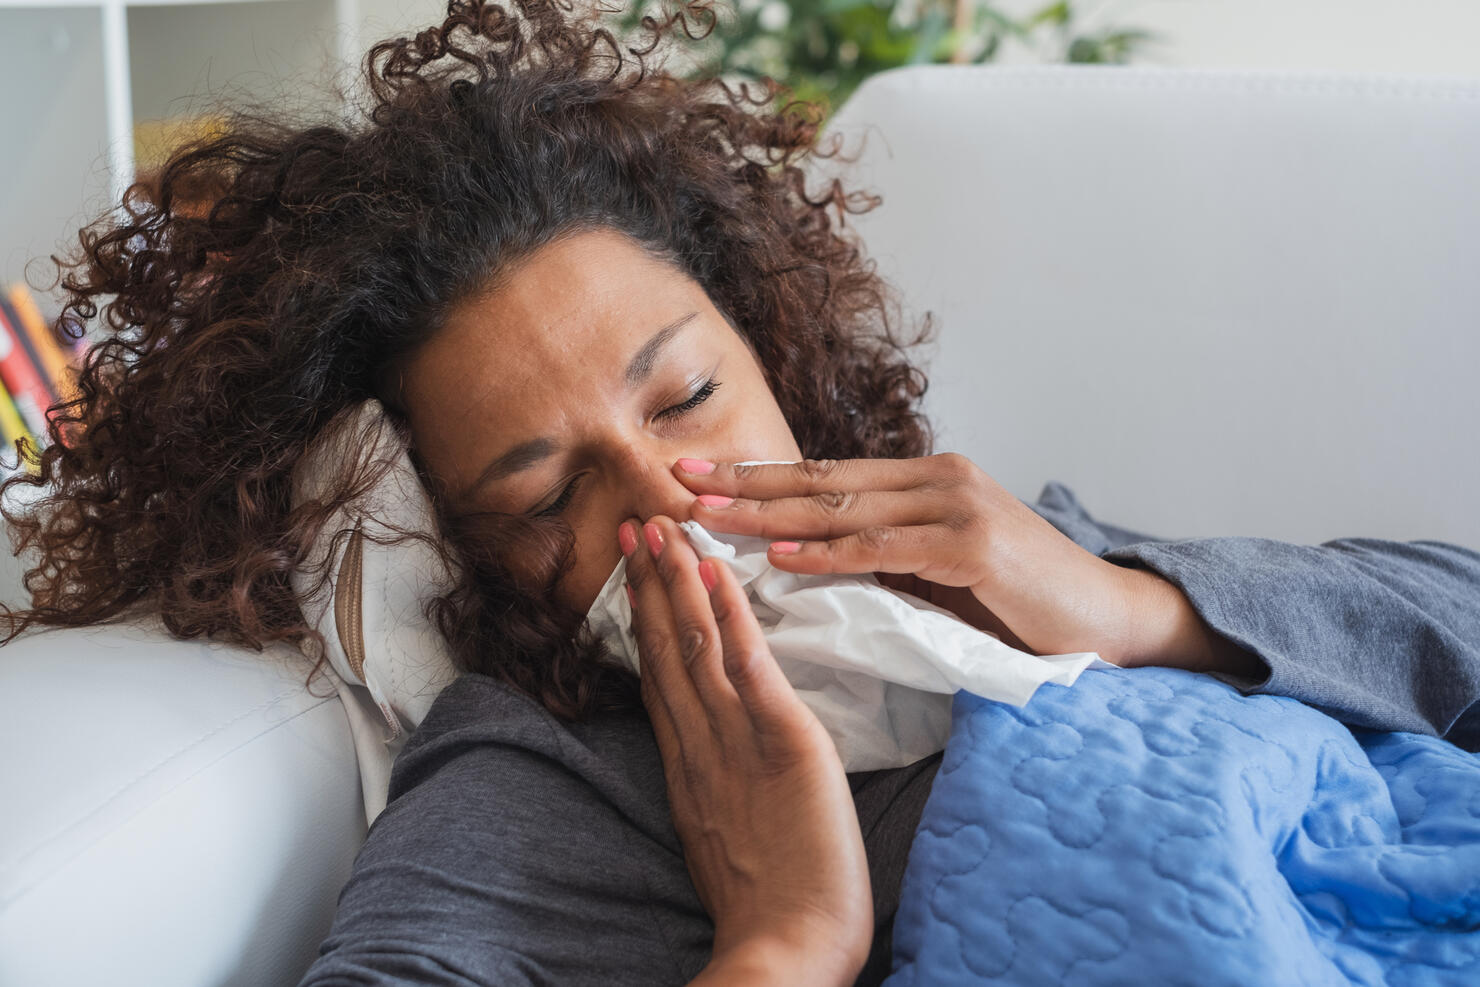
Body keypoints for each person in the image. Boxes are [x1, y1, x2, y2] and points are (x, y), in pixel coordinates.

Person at [2, 1, 1475, 984]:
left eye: (689, 396)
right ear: (467, 561)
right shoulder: (543, 782)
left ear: (772, 350)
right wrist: (782, 939)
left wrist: (1134, 611)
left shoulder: (998, 558)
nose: (671, 500)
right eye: (547, 493)